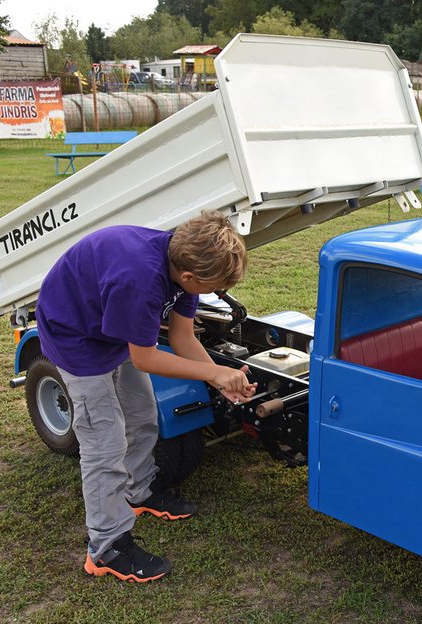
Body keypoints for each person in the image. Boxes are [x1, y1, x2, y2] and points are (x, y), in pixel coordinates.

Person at [36, 211, 257, 582]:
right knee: (103, 442)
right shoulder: (139, 279)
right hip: (75, 336)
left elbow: (184, 339)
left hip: (112, 330)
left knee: (142, 414)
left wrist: (222, 380)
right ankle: (106, 547)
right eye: (210, 287)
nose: (212, 294)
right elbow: (145, 356)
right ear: (188, 277)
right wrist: (214, 372)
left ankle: (139, 491)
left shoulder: (181, 265)